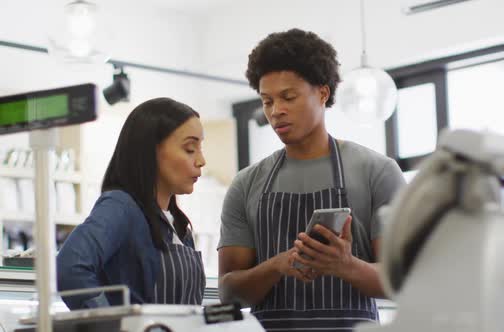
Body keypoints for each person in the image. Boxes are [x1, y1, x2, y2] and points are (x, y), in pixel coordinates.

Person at [217, 28, 405, 331]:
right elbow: (228, 293)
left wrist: (346, 266)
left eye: (288, 97)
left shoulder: (377, 172)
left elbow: (401, 282)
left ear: (322, 92)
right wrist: (276, 266)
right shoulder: (246, 184)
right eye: (267, 101)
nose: (276, 111)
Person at [57, 97, 207, 309]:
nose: (201, 160)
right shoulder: (121, 207)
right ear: (150, 150)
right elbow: (71, 267)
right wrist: (113, 323)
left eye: (201, 148)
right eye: (190, 149)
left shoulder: (180, 226)